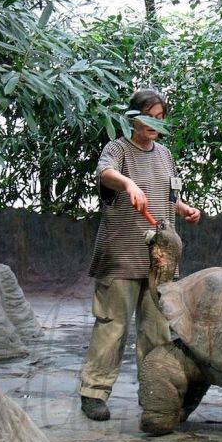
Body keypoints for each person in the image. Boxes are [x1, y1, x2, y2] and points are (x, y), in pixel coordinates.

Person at [78, 88, 200, 421]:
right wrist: (129, 185)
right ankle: (93, 391)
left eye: (159, 118)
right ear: (133, 118)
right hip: (121, 254)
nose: (154, 123)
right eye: (148, 116)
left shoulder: (165, 155)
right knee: (112, 325)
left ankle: (155, 393)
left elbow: (166, 194)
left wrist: (183, 208)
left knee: (157, 331)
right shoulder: (117, 149)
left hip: (159, 260)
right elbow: (105, 174)